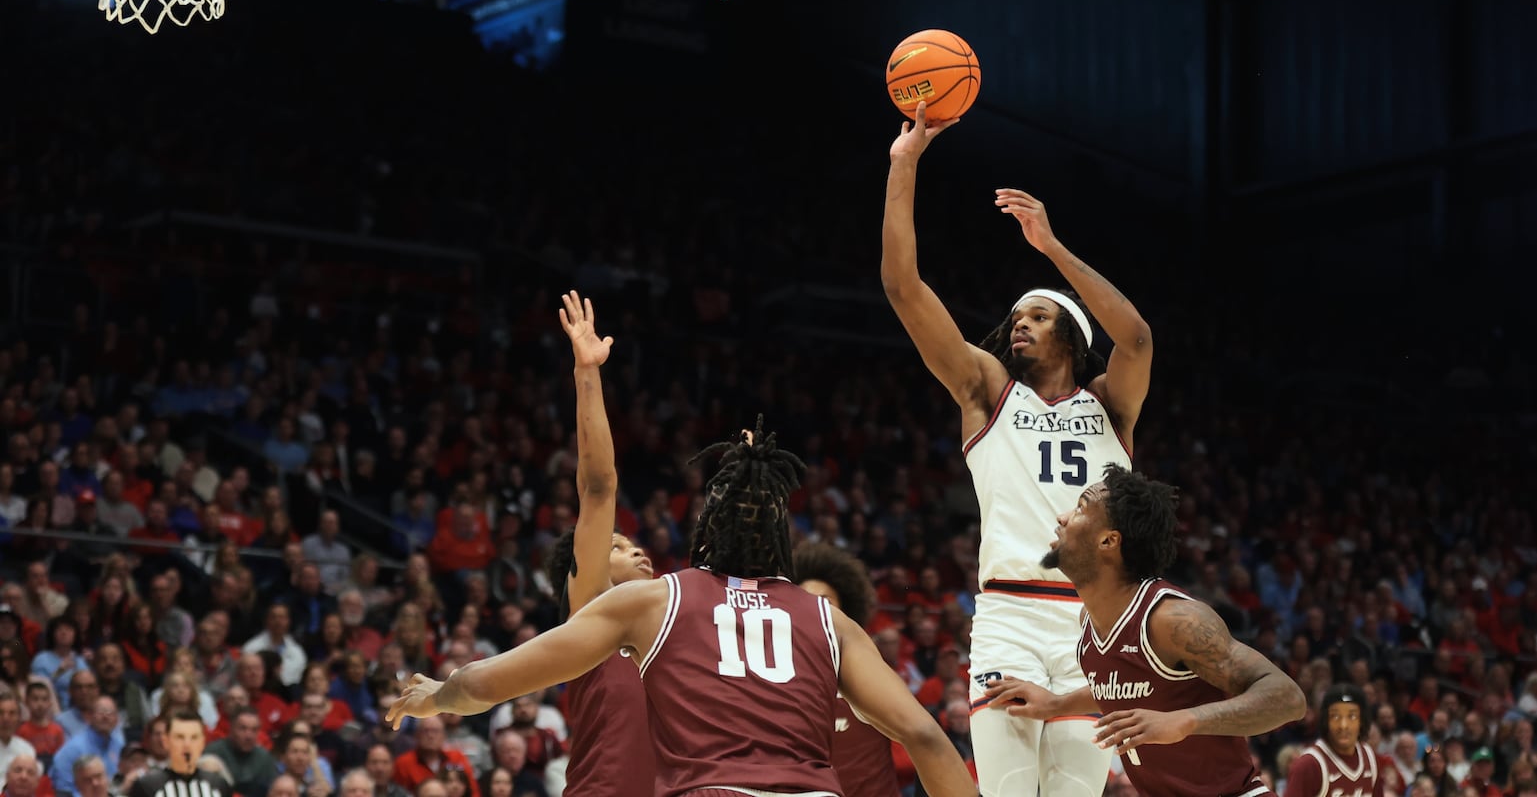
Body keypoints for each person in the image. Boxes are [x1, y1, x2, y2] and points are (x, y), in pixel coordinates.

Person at [387, 421, 977, 797]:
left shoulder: (653, 601)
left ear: (705, 526)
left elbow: (489, 682)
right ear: (783, 539)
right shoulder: (830, 621)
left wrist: (438, 695)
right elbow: (924, 735)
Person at [882, 99, 1154, 797]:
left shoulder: (1110, 406)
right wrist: (902, 165)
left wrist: (1051, 249)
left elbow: (1137, 338)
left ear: (1069, 334)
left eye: (1036, 316)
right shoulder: (986, 391)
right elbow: (903, 289)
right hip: (1010, 615)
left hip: (1097, 625)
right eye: (1016, 320)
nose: (1019, 327)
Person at [983, 465, 1305, 797]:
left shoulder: (1172, 620)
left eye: (1080, 507)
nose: (1063, 517)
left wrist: (1184, 721)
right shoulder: (1089, 622)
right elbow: (1134, 689)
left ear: (1109, 540)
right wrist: (1056, 704)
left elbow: (1287, 698)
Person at [539, 291, 653, 797]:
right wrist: (588, 373)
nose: (634, 551)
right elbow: (600, 485)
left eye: (631, 544)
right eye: (616, 546)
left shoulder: (672, 621)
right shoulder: (590, 606)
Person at [792, 542, 903, 797]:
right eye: (805, 601)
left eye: (825, 602)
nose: (815, 610)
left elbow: (919, 737)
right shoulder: (774, 678)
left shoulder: (869, 669)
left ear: (845, 612)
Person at [1286, 684, 1383, 797]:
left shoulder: (1370, 758)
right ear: (1326, 720)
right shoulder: (1308, 765)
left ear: (1361, 721)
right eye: (1336, 717)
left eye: (1351, 716)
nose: (1343, 726)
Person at [126, 711, 230, 797]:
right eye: (180, 737)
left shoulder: (218, 784)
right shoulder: (147, 786)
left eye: (194, 737)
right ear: (166, 741)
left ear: (203, 742)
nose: (187, 745)